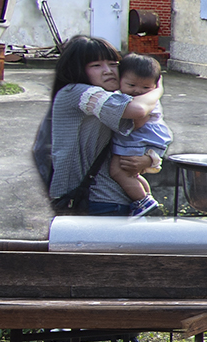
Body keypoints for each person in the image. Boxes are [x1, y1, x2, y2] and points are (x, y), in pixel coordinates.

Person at [43, 35, 158, 216]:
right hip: (93, 200)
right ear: (79, 69)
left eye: (113, 64)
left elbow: (142, 131)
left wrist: (149, 160)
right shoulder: (77, 92)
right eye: (96, 65)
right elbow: (139, 110)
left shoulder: (115, 98)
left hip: (116, 199)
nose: (108, 71)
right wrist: (158, 88)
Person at [108, 54, 172, 217]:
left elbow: (136, 123)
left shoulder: (142, 102)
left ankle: (143, 202)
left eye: (145, 88)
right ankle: (148, 199)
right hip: (147, 138)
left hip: (141, 137)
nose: (138, 91)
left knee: (117, 171)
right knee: (132, 174)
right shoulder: (145, 97)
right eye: (131, 85)